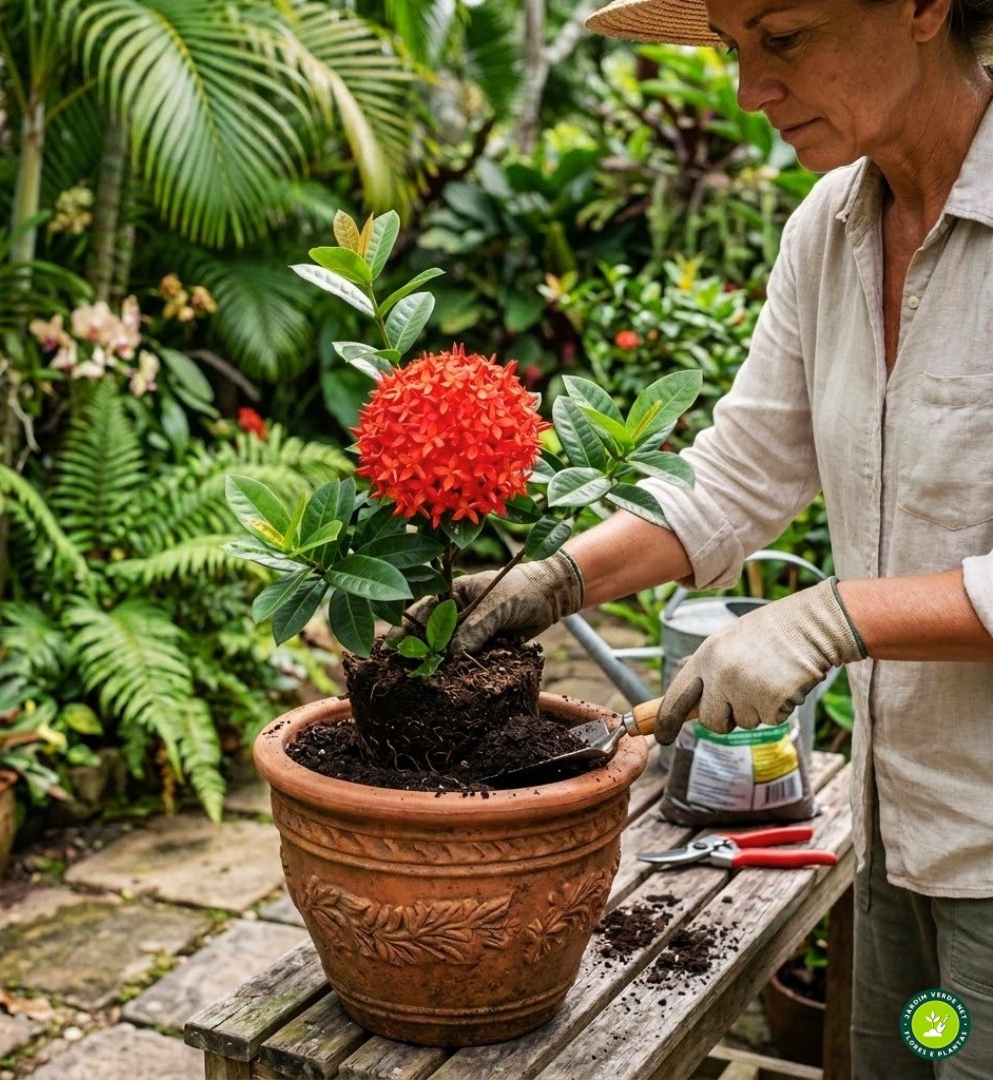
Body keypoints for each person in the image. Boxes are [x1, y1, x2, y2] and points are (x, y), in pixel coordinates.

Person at [421, 0, 993, 1075]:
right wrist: (548, 581)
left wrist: (832, 617)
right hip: (900, 825)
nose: (747, 91)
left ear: (925, 7)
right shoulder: (829, 231)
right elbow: (737, 476)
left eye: (783, 37)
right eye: (734, 50)